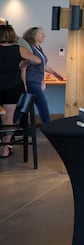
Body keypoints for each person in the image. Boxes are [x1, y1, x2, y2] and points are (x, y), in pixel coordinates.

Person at [0, 24, 42, 158]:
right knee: (9, 118)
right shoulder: (19, 49)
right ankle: (5, 149)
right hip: (13, 87)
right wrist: (24, 64)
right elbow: (37, 60)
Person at [22, 27, 64, 123]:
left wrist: (55, 74)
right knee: (42, 104)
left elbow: (43, 65)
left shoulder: (39, 49)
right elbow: (24, 65)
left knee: (24, 105)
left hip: (36, 81)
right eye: (41, 34)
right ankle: (49, 127)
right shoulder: (30, 49)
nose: (44, 36)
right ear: (34, 36)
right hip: (31, 81)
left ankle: (8, 124)